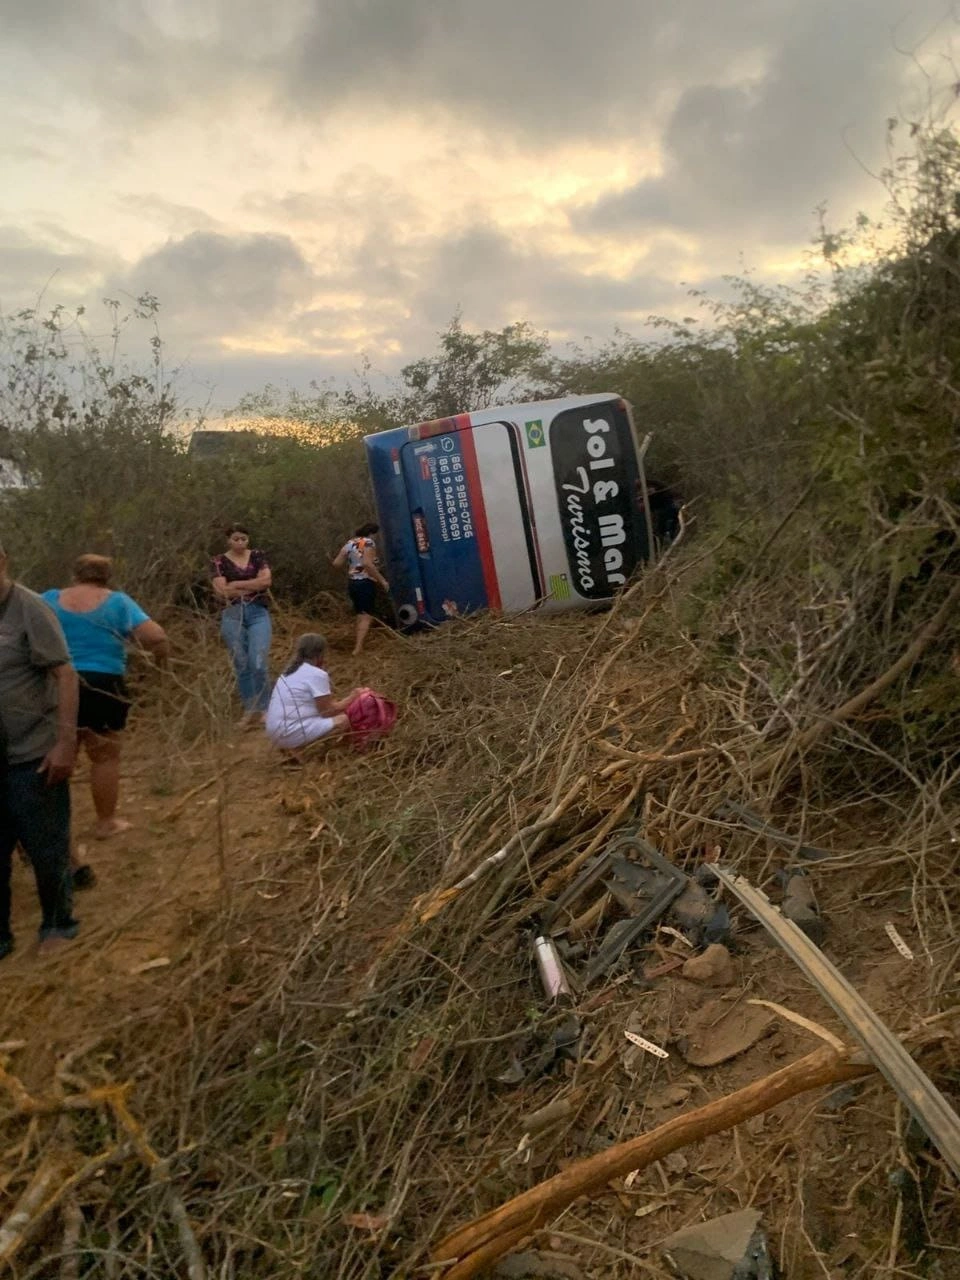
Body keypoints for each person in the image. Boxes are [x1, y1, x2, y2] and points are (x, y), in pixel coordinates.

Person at [42, 555, 169, 841]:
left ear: (74, 573)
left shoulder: (48, 599)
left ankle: (50, 829)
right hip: (104, 684)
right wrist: (162, 669)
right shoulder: (118, 602)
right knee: (104, 757)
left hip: (57, 683)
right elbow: (157, 637)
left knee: (60, 756)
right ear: (107, 576)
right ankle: (105, 823)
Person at [0, 541, 80, 957]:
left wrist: (65, 743)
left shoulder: (28, 608)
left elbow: (65, 675)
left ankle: (57, 923)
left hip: (32, 751)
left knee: (46, 846)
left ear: (2, 561)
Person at [211, 524, 273, 724]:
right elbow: (222, 591)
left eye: (243, 539)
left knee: (258, 660)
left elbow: (266, 582)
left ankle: (266, 708)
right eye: (236, 539)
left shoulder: (257, 556)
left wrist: (237, 584)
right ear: (229, 540)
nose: (240, 542)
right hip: (232, 613)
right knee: (241, 662)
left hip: (257, 612)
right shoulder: (219, 561)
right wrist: (251, 585)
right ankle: (250, 709)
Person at [264, 633, 359, 757]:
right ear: (320, 654)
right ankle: (301, 750)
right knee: (343, 720)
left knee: (330, 718)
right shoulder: (317, 674)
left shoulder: (287, 673)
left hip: (274, 732)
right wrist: (353, 697)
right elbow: (327, 711)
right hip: (289, 731)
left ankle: (293, 746)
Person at [332, 522, 389, 656]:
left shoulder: (350, 543)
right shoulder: (369, 543)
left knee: (360, 614)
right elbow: (367, 564)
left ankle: (359, 643)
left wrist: (352, 565)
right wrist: (382, 581)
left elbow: (336, 563)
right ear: (373, 533)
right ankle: (358, 648)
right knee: (366, 616)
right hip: (365, 582)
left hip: (353, 583)